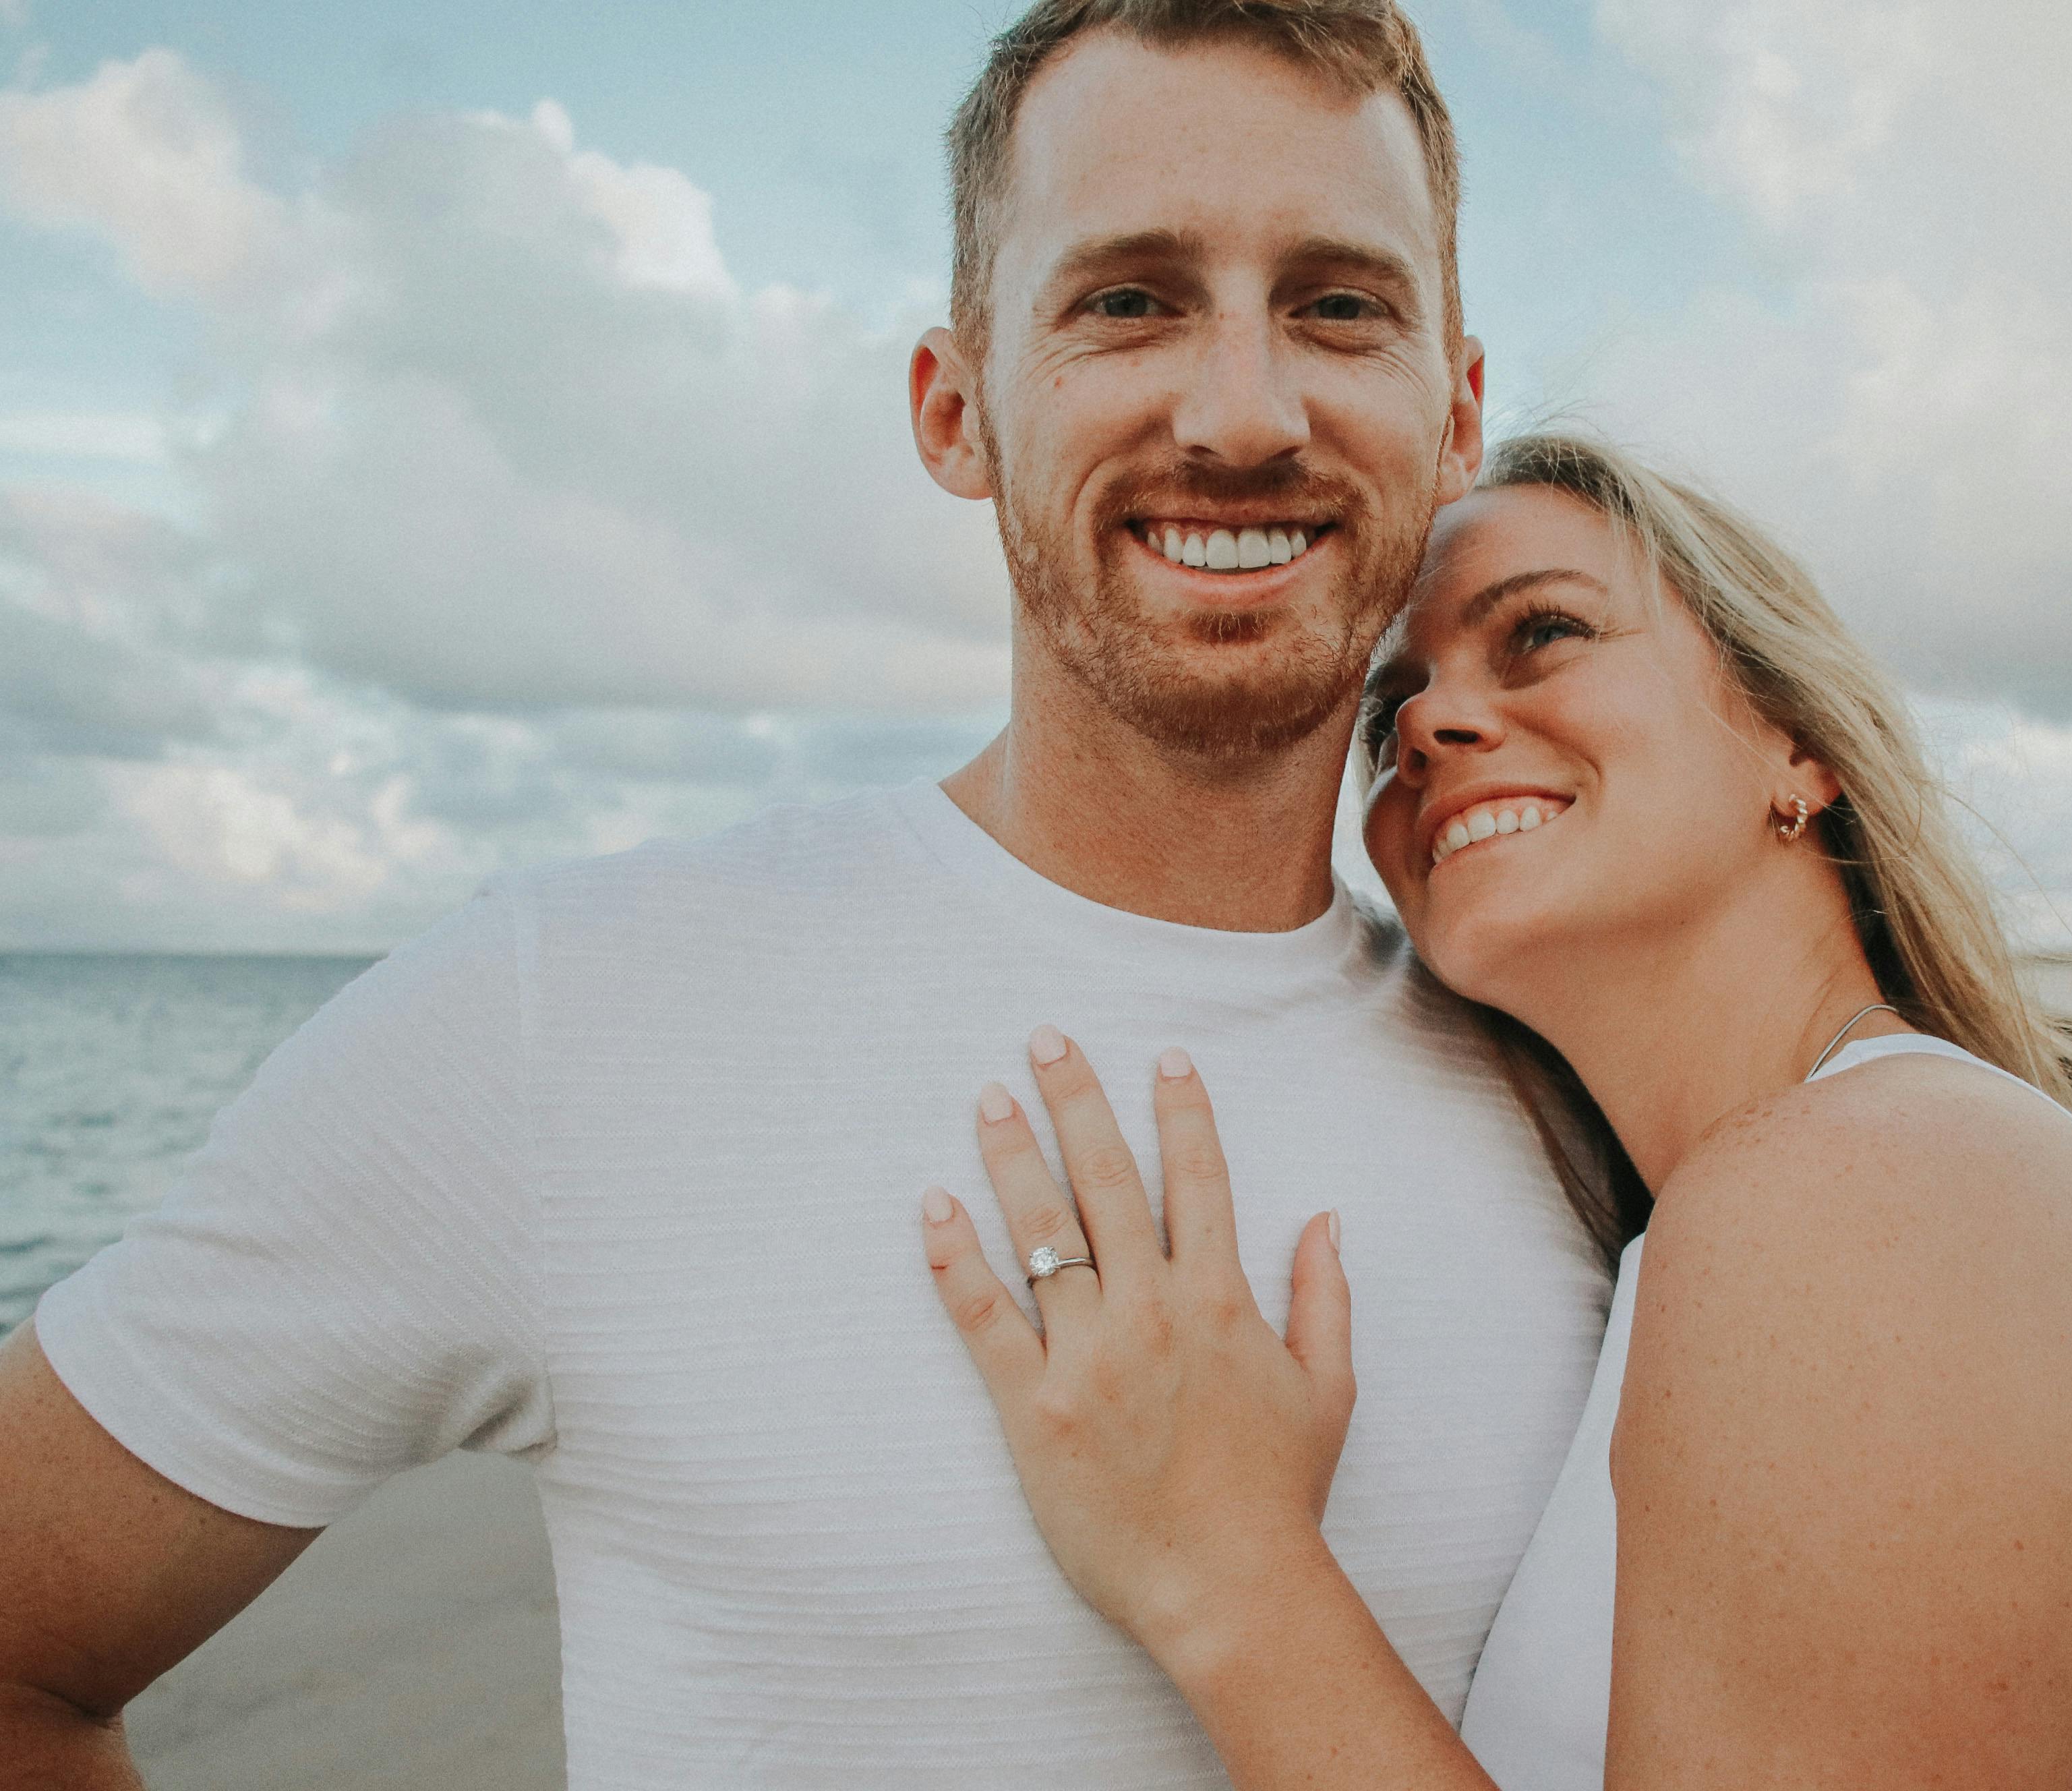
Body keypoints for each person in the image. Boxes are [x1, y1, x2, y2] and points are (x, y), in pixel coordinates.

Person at [0, 5, 1618, 1785]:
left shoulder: (1586, 1094)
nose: (1244, 412)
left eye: (1338, 307)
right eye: (1127, 301)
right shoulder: (564, 1009)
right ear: (957, 409)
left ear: (1456, 408)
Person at [924, 434, 2072, 1787]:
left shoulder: (1869, 1188)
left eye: (1543, 633)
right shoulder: (1753, 1215)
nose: (1425, 726)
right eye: (1394, 708)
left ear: (1797, 745)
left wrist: (1226, 1568)